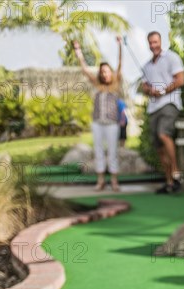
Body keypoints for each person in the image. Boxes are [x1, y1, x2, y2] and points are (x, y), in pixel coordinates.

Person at [74, 37, 123, 192]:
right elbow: (84, 69)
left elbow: (120, 65)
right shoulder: (96, 84)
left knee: (113, 151)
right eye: (102, 71)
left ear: (111, 73)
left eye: (107, 71)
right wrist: (78, 51)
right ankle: (100, 181)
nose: (105, 73)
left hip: (112, 123)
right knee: (99, 151)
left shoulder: (116, 85)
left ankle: (114, 181)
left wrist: (120, 46)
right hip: (97, 123)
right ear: (100, 74)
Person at [142, 31, 184, 194]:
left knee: (163, 134)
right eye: (151, 43)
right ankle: (169, 182)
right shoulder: (147, 65)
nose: (153, 45)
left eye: (156, 42)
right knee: (159, 147)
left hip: (170, 103)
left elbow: (181, 79)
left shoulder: (172, 57)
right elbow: (144, 86)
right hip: (153, 107)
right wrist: (149, 90)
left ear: (161, 41)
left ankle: (176, 171)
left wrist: (163, 91)